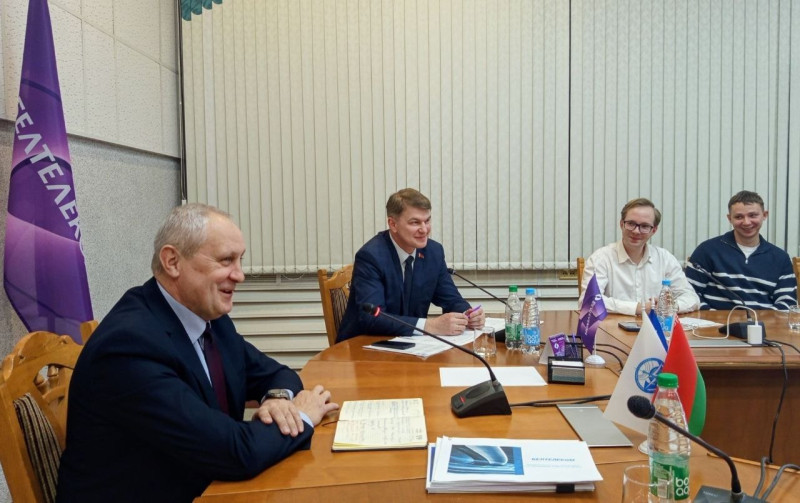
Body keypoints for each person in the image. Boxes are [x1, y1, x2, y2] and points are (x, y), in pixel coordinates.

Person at [57, 204, 339, 503]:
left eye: (240, 260)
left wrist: (279, 400)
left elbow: (275, 373)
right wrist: (302, 416)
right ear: (172, 262)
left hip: (205, 484)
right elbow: (233, 452)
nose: (240, 275)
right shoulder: (129, 346)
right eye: (226, 260)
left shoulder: (209, 319)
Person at [337, 188, 484, 342]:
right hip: (364, 345)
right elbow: (373, 318)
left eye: (427, 221)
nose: (424, 230)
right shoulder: (371, 257)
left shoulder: (433, 252)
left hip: (411, 345)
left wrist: (468, 314)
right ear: (393, 224)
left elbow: (451, 299)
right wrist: (429, 326)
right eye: (415, 222)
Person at [579, 198, 700, 316]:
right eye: (631, 224)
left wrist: (670, 306)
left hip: (656, 327)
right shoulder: (601, 258)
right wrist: (638, 308)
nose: (636, 231)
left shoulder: (665, 259)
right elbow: (589, 301)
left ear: (654, 230)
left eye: (644, 226)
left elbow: (691, 298)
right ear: (621, 224)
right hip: (611, 327)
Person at [686, 190, 797, 310]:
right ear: (729, 218)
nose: (746, 222)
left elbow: (787, 301)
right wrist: (713, 316)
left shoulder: (780, 258)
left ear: (765, 215)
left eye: (752, 215)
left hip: (764, 321)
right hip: (714, 321)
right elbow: (689, 294)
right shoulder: (707, 250)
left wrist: (761, 320)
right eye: (739, 217)